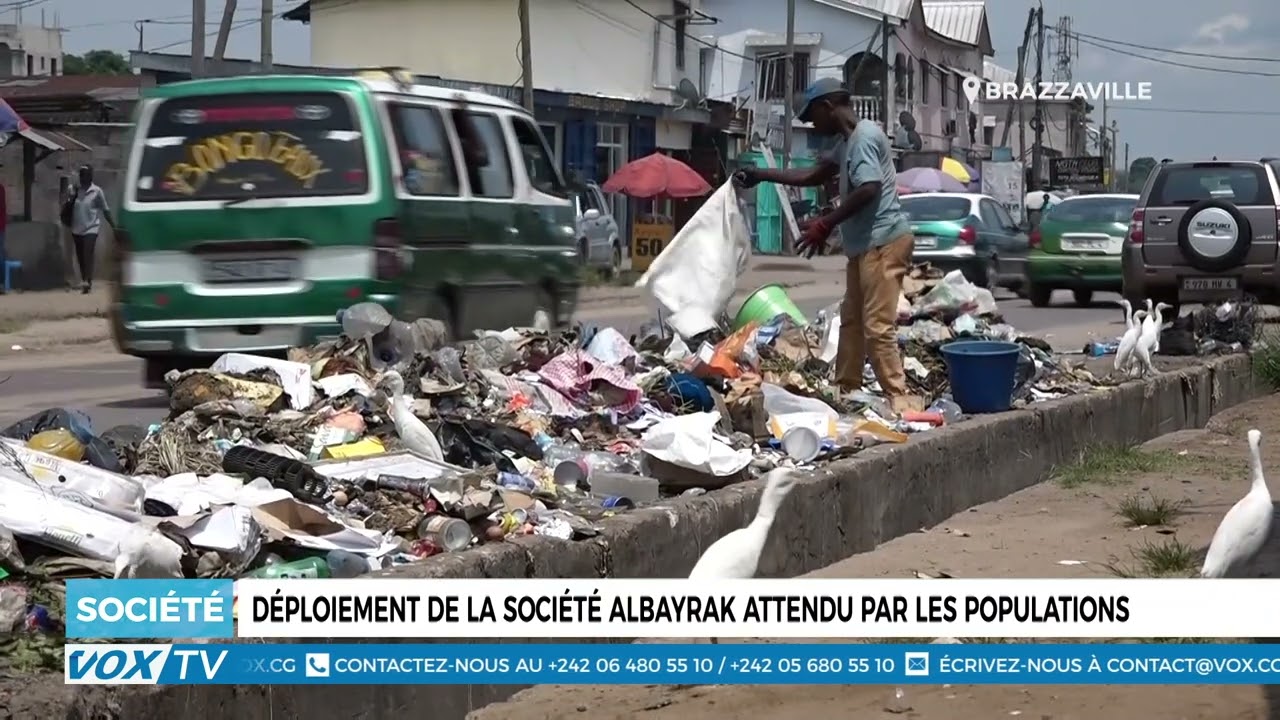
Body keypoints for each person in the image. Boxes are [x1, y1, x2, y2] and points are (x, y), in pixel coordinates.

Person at [734, 78, 919, 413]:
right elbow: (812, 176)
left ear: (828, 106)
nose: (812, 125)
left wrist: (826, 223)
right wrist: (761, 175)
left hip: (884, 241)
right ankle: (846, 390)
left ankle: (901, 399)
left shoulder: (863, 138)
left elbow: (869, 188)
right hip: (865, 245)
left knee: (877, 326)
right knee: (851, 320)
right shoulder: (847, 141)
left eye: (812, 117)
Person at [68, 164, 113, 294]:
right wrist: (71, 195)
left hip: (91, 228)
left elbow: (105, 209)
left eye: (86, 175)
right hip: (77, 228)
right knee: (80, 256)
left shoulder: (97, 191)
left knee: (87, 253)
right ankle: (85, 279)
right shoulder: (74, 190)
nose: (83, 178)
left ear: (90, 176)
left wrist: (113, 226)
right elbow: (67, 205)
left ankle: (87, 280)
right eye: (81, 175)